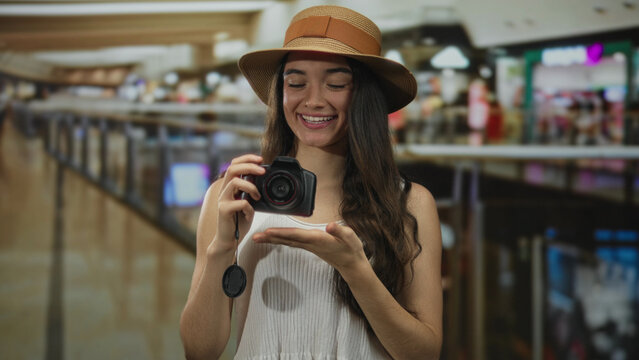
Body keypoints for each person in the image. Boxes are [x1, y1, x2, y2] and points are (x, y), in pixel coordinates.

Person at [180, 5, 442, 360]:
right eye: (296, 82)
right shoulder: (233, 195)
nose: (314, 100)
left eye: (335, 84)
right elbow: (200, 350)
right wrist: (222, 247)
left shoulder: (409, 203)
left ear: (363, 96)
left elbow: (423, 353)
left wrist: (354, 269)